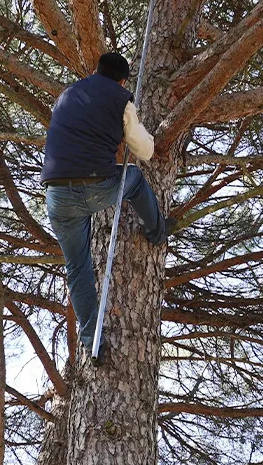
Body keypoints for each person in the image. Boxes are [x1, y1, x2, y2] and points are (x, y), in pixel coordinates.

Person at [41, 51, 174, 361]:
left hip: (56, 195)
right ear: (123, 80)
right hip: (93, 187)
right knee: (135, 178)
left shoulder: (67, 94)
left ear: (93, 70)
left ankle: (91, 340)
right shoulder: (122, 101)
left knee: (78, 267)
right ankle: (157, 230)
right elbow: (144, 150)